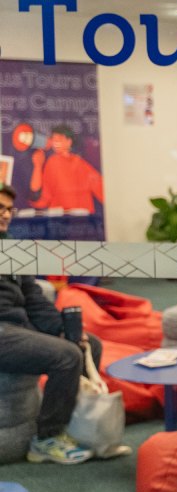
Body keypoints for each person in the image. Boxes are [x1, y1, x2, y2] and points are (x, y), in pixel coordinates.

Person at [0, 183, 101, 464]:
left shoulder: (12, 249)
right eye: (0, 208)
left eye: (9, 209)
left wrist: (64, 329)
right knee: (66, 356)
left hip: (17, 327)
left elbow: (34, 301)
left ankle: (76, 424)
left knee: (86, 343)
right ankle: (46, 439)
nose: (6, 215)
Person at [28, 125, 104, 214]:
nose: (55, 142)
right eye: (53, 139)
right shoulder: (52, 162)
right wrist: (38, 166)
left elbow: (100, 187)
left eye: (59, 139)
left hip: (81, 218)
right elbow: (45, 194)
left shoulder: (80, 163)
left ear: (69, 142)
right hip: (61, 218)